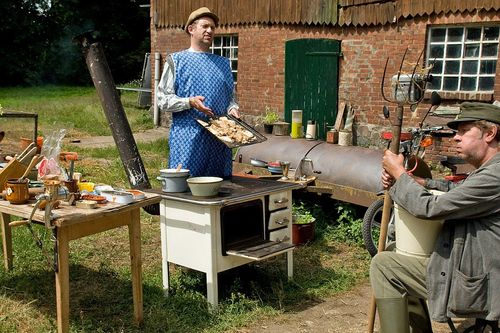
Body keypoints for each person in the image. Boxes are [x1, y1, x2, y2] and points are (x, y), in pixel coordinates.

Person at [370, 102, 500, 333]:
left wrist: (399, 174)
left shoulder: (495, 176)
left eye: (463, 131)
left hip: (483, 284)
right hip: (477, 268)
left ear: (490, 133)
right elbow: (459, 191)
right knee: (394, 254)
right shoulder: (489, 170)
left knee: (384, 265)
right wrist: (421, 182)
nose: (455, 138)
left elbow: (429, 208)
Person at [156, 7, 240, 178]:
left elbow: (231, 97)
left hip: (219, 139)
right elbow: (162, 99)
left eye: (212, 27)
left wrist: (233, 109)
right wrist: (189, 102)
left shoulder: (223, 63)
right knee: (185, 186)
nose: (210, 30)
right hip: (188, 137)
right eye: (205, 26)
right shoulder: (177, 61)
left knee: (220, 186)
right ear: (191, 29)